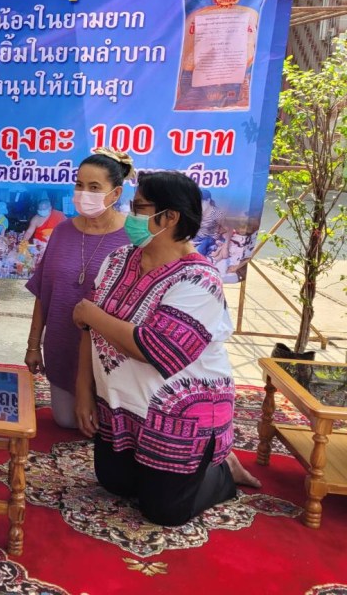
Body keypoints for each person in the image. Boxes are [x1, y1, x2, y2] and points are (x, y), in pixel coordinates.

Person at [72, 170, 260, 527]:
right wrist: (84, 390)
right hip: (122, 407)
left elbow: (156, 349)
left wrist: (91, 313)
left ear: (170, 217)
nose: (130, 216)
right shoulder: (118, 259)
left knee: (164, 512)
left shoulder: (199, 279)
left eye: (139, 208)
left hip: (178, 419)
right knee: (114, 483)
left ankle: (220, 471)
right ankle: (193, 469)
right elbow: (87, 329)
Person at [25, 148, 132, 428]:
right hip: (62, 344)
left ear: (116, 193)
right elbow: (43, 293)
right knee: (66, 421)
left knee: (109, 428)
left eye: (94, 187)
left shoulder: (133, 236)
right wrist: (33, 346)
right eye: (80, 185)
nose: (84, 193)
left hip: (112, 353)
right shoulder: (62, 231)